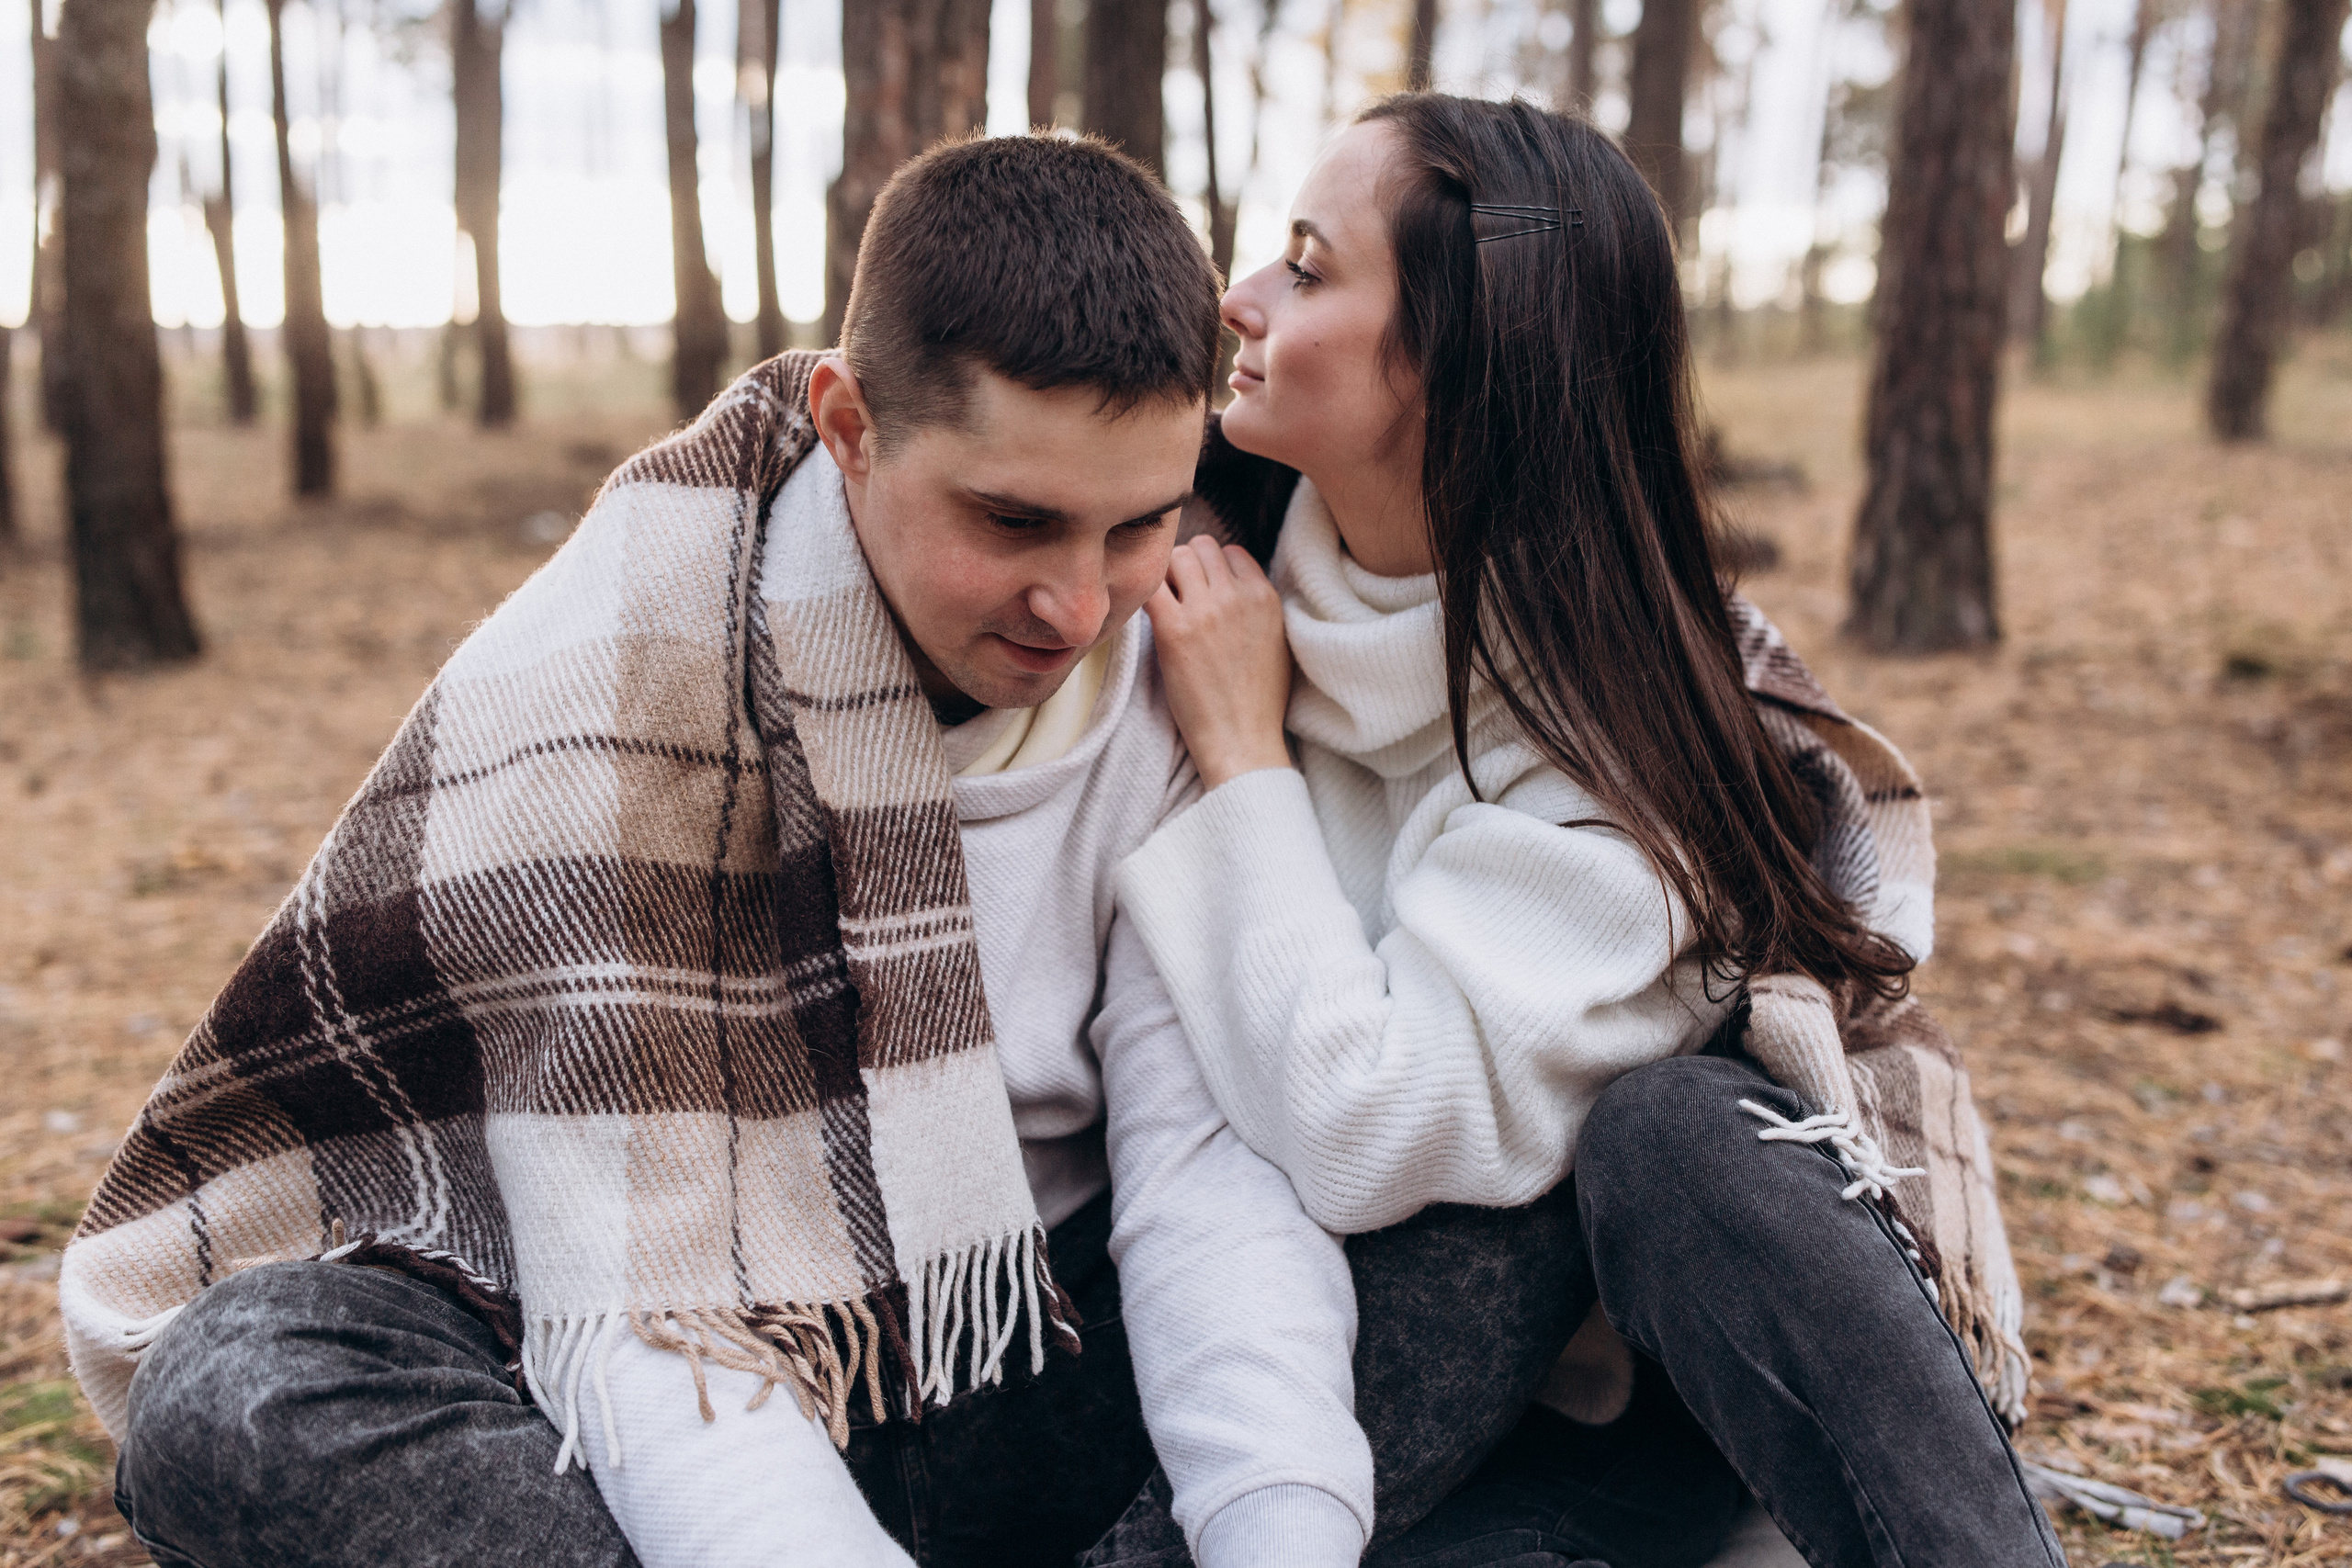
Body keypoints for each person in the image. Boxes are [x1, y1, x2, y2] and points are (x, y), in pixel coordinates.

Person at [64, 134, 1583, 1568]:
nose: (1075, 605)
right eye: (1012, 519)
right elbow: (658, 1324)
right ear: (848, 429)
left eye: (1132, 525)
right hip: (654, 1385)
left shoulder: (1177, 647)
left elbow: (1201, 1173)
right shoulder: (629, 681)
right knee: (237, 1385)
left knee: (1507, 1206)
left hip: (1023, 1345)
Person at [1120, 96, 2068, 1568]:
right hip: (1324, 1402)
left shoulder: (1626, 759)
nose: (1237, 299)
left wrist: (1244, 760)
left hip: (1599, 1404)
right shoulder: (1187, 545)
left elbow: (1364, 1126)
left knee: (1673, 1132)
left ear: (1461, 363)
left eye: (1309, 270)